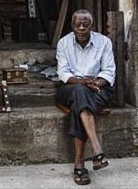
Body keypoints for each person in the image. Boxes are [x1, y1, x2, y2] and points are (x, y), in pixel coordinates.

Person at [56, 9, 116, 185]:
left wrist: (95, 84)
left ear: (92, 25)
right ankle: (97, 149)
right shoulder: (63, 43)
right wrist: (81, 83)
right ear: (72, 26)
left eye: (85, 24)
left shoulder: (103, 42)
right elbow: (63, 72)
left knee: (79, 105)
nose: (81, 28)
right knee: (80, 92)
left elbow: (109, 71)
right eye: (77, 24)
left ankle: (79, 164)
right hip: (71, 86)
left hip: (99, 87)